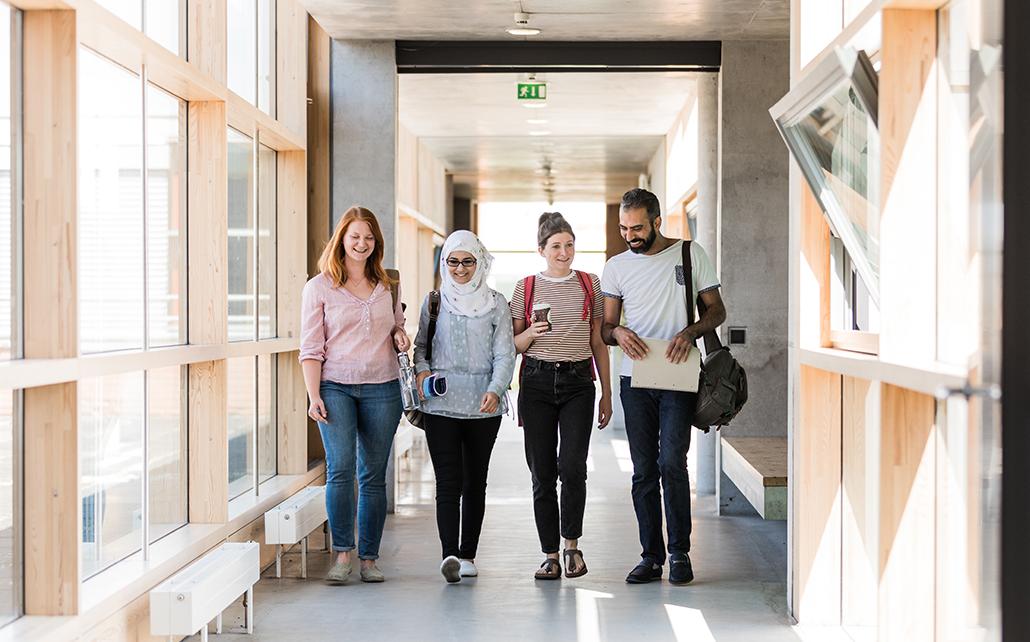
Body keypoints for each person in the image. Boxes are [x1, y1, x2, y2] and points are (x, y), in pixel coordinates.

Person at [600, 188, 726, 586]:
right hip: (634, 380)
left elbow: (718, 311)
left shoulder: (690, 254)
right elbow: (604, 328)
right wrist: (618, 332)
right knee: (643, 470)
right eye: (624, 228)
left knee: (671, 462)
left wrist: (690, 331)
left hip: (678, 375)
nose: (630, 235)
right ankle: (651, 556)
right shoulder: (616, 266)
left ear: (656, 221)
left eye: (637, 227)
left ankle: (680, 554)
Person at [299, 205, 410, 585]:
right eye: (354, 236)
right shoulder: (318, 288)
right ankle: (343, 554)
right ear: (341, 240)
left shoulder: (388, 283)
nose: (361, 243)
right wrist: (314, 396)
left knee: (373, 475)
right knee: (341, 469)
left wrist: (399, 335)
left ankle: (369, 558)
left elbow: (396, 325)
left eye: (368, 237)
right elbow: (311, 347)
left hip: (383, 387)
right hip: (335, 386)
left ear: (376, 242)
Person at [510, 212, 612, 580]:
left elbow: (598, 341)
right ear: (541, 249)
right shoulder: (526, 288)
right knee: (542, 471)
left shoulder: (590, 284)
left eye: (569, 245)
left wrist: (607, 393)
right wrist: (533, 333)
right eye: (556, 246)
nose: (564, 252)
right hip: (536, 383)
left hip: (579, 383)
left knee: (573, 467)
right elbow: (513, 344)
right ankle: (550, 554)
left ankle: (572, 548)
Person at [413, 230, 516, 584]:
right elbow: (420, 350)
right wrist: (424, 372)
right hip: (439, 405)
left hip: (484, 407)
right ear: (445, 263)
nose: (460, 268)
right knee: (448, 482)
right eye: (453, 261)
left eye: (468, 261)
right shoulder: (435, 302)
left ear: (480, 262)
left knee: (475, 482)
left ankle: (468, 553)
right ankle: (449, 555)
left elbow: (506, 351)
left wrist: (496, 387)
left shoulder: (497, 303)